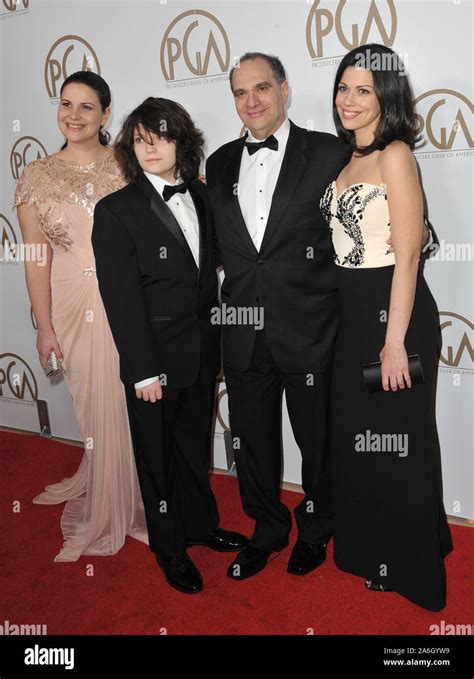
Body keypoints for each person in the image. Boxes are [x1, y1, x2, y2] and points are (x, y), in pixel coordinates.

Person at [91, 97, 248, 595]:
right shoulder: (115, 210)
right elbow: (120, 298)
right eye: (139, 139)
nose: (149, 146)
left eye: (159, 135)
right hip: (152, 362)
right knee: (156, 458)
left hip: (201, 351)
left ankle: (199, 526)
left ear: (182, 140)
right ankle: (169, 547)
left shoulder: (200, 197)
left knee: (192, 447)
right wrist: (141, 370)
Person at [206, 53, 352, 581]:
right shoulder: (219, 162)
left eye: (262, 87)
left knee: (318, 441)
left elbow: (359, 240)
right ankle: (267, 528)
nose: (253, 101)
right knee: (252, 440)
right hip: (243, 333)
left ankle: (315, 529)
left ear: (285, 90)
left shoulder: (330, 152)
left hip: (312, 330)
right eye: (241, 92)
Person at [319, 43, 452, 610]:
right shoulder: (346, 159)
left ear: (386, 96)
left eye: (364, 90)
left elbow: (406, 257)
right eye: (344, 88)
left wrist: (393, 342)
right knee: (366, 442)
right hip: (352, 319)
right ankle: (378, 545)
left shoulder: (396, 154)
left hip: (393, 318)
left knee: (400, 440)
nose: (349, 100)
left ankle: (412, 565)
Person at [14, 71, 148, 561]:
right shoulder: (37, 174)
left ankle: (137, 495)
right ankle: (109, 503)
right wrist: (45, 326)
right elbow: (35, 256)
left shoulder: (130, 164)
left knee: (129, 396)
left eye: (86, 106)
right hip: (71, 301)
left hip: (127, 297)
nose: (73, 115)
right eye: (66, 104)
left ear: (107, 113)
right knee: (93, 400)